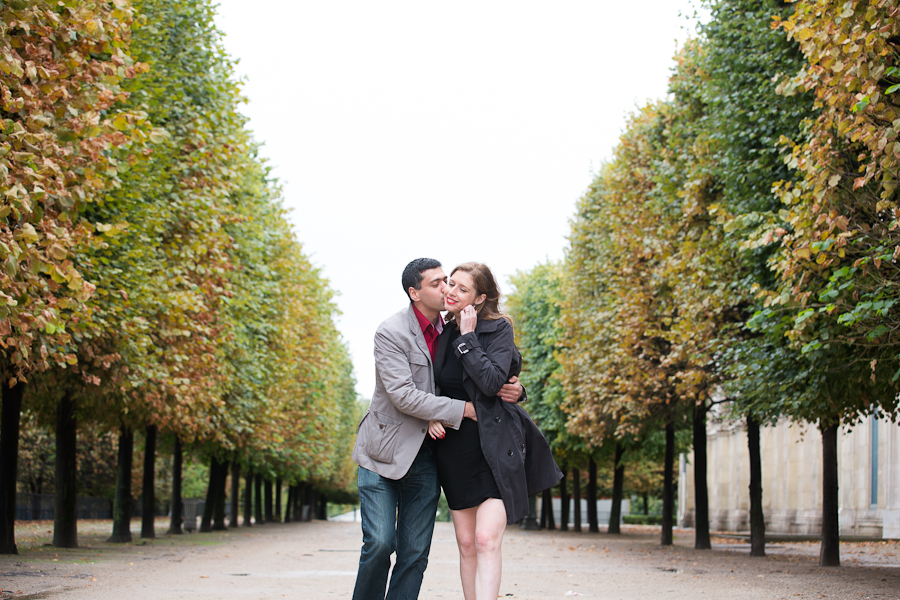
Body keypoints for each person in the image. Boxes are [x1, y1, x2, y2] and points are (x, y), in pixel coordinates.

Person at [351, 258, 524, 600]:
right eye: (438, 283)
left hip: (431, 452)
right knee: (381, 542)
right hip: (385, 449)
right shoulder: (391, 331)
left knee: (415, 552)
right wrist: (464, 410)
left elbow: (497, 371)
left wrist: (516, 390)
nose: (446, 289)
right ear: (414, 293)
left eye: (448, 281)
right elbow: (403, 395)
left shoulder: (453, 328)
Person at [428, 262, 562, 600]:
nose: (451, 292)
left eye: (462, 288)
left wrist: (469, 338)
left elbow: (491, 383)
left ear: (480, 297)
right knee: (467, 543)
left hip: (497, 447)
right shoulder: (441, 332)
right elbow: (431, 385)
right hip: (455, 447)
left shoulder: (498, 329)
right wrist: (430, 413)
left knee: (487, 539)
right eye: (450, 284)